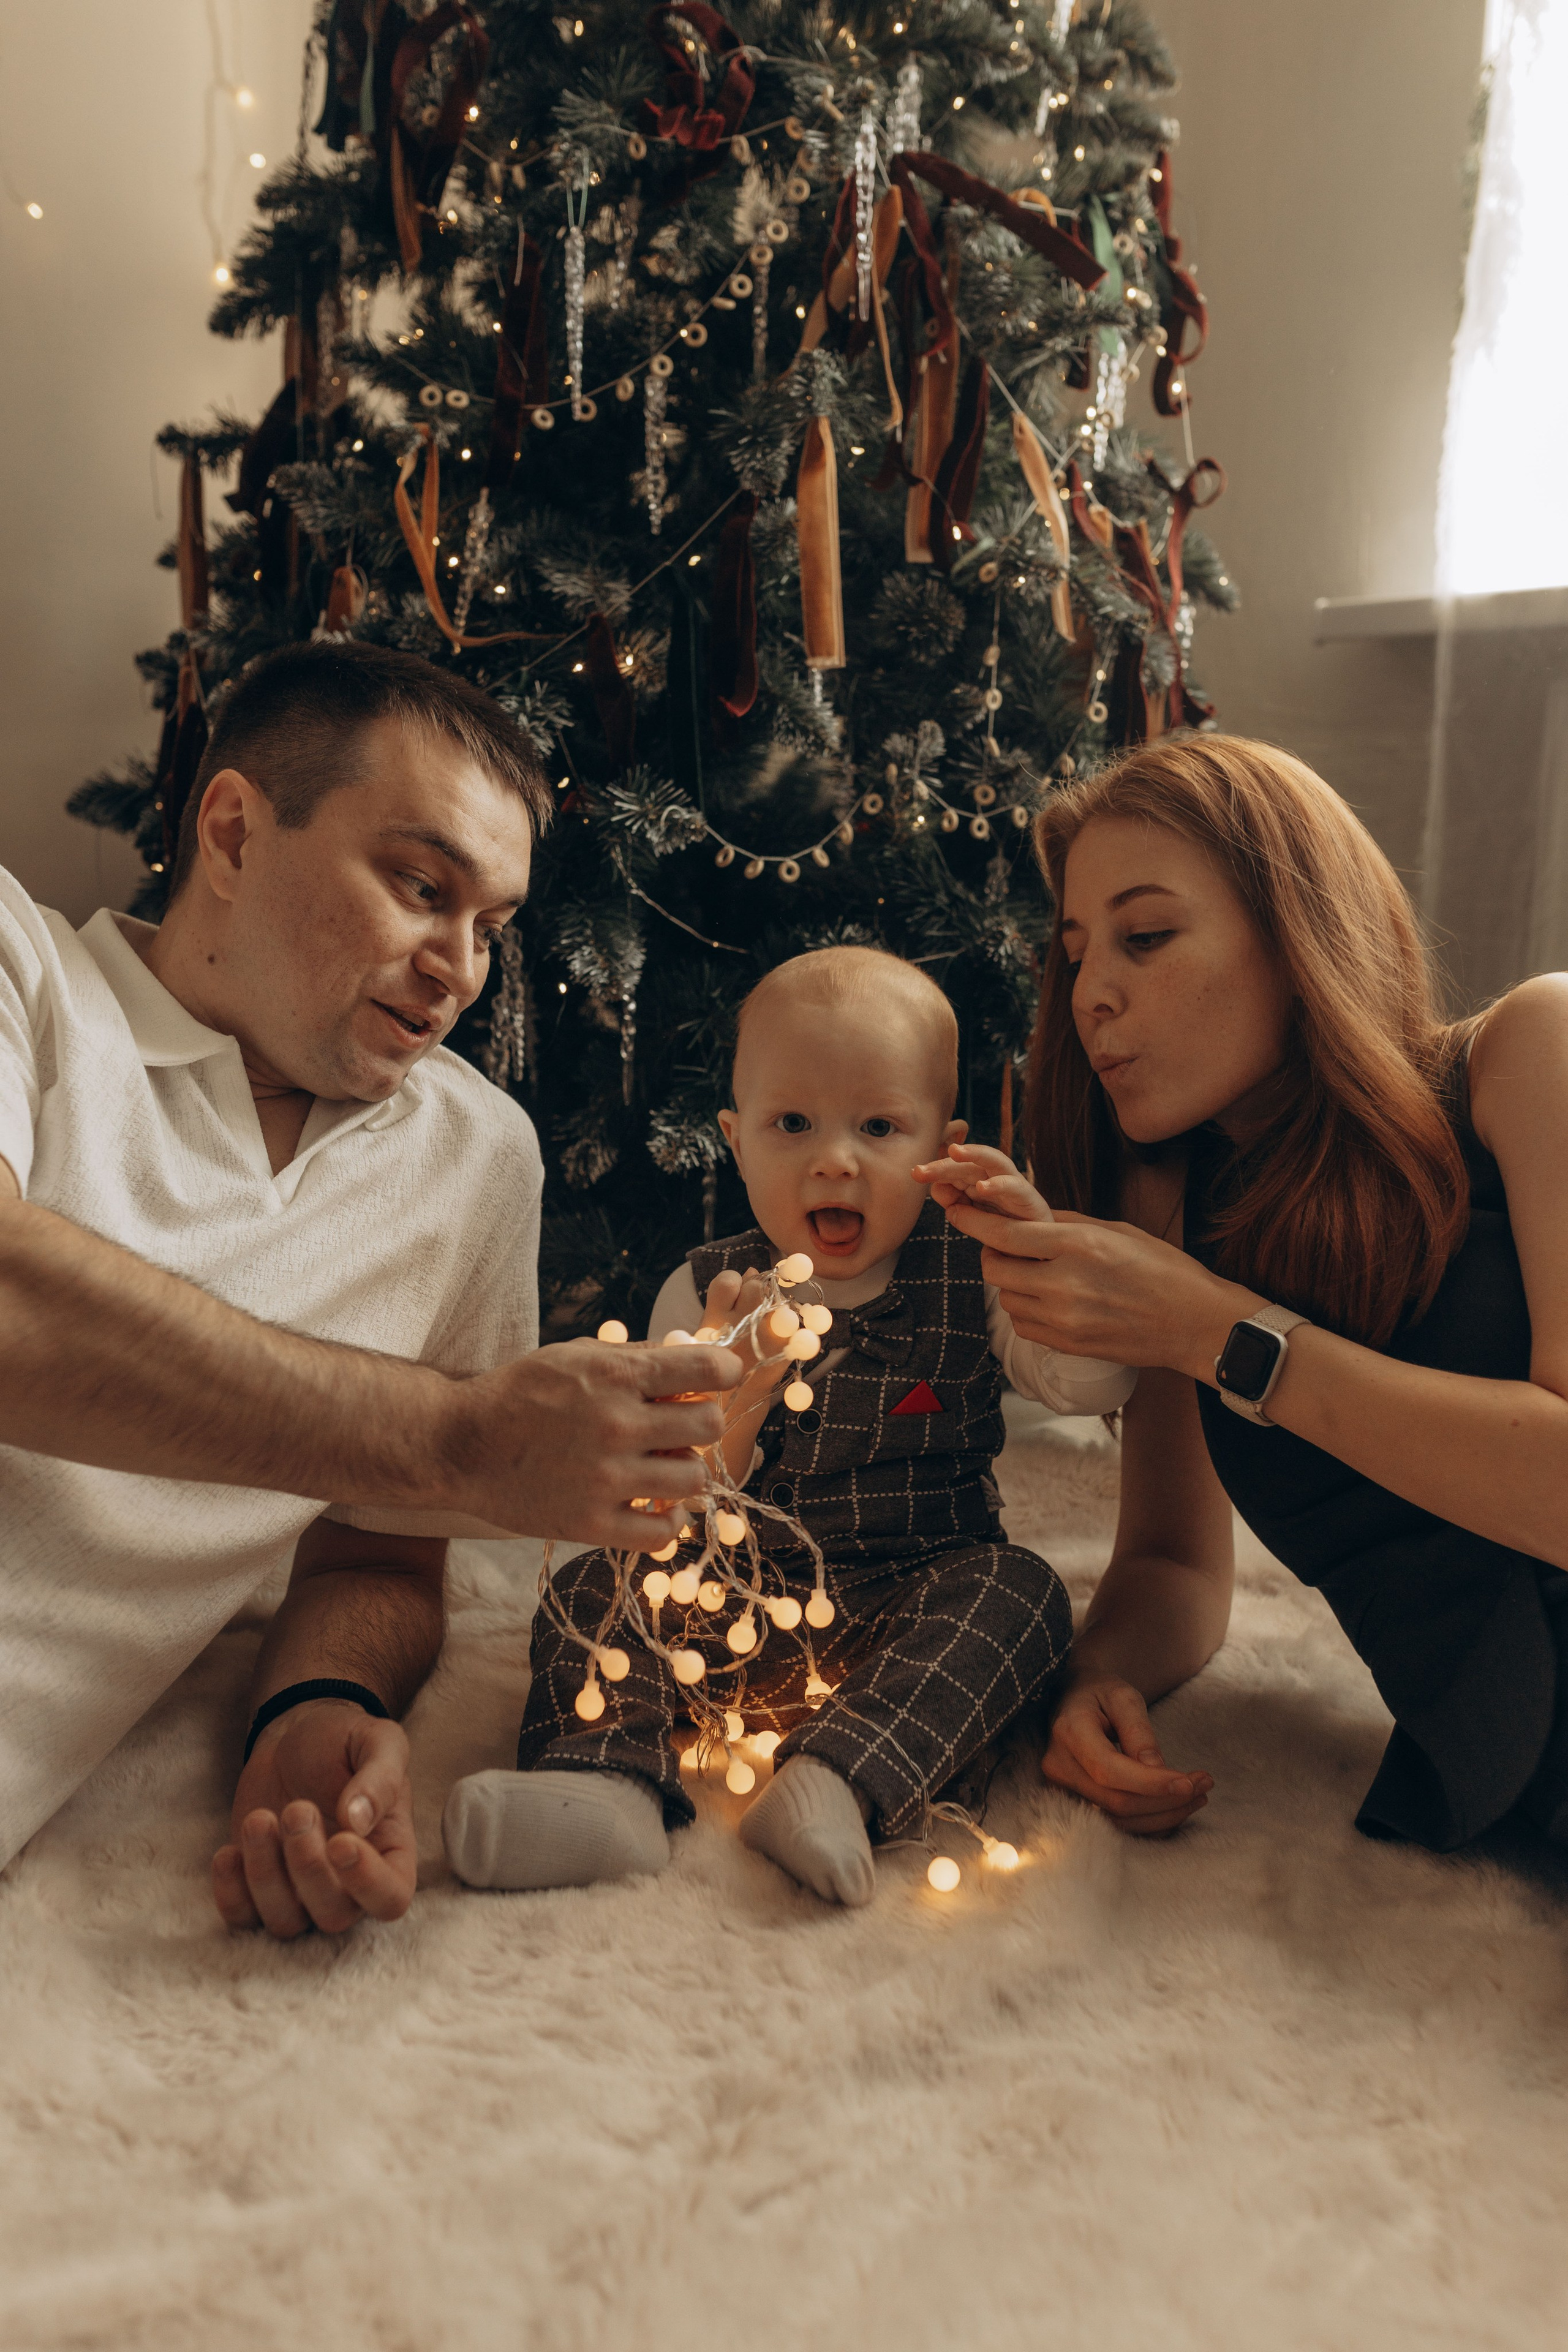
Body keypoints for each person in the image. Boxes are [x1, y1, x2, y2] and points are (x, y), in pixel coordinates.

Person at [0, 640, 739, 1938]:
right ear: (230, 833)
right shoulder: (26, 980)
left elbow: (381, 1540)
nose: (460, 965)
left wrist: (315, 1707)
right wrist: (457, 1436)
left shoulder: (475, 1158)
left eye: (490, 925)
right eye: (417, 885)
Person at [919, 733, 1568, 1853]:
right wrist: (1096, 1682)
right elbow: (1173, 1563)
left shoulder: (1534, 1051)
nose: (1092, 996)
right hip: (1515, 1778)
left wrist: (1226, 1337)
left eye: (1148, 936)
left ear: (1296, 935)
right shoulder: (1179, 1210)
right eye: (1076, 953)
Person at [444, 946, 1133, 1907]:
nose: (834, 1157)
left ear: (946, 1143)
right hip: (733, 1613)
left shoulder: (971, 1277)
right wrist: (741, 1400)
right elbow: (669, 1503)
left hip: (912, 1604)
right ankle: (605, 1785)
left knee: (1022, 1593)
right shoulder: (705, 1288)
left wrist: (1037, 1254)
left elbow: (1094, 1381)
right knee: (595, 1581)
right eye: (793, 1123)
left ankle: (837, 1779)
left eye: (881, 1126)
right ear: (735, 1138)